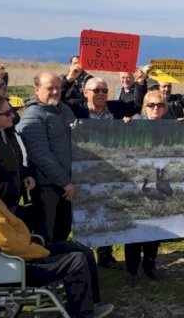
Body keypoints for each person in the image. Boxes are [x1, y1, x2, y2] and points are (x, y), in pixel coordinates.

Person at [0, 146, 113, 318]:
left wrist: (34, 244)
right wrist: (40, 251)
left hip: (13, 256)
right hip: (10, 265)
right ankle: (80, 314)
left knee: (79, 248)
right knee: (76, 260)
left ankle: (90, 305)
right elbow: (5, 243)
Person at [70, 77, 141, 269]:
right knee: (89, 213)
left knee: (108, 211)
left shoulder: (116, 109)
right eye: (96, 90)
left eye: (104, 90)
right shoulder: (76, 111)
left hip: (112, 169)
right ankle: (84, 257)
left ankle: (105, 255)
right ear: (85, 92)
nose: (101, 94)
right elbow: (58, 98)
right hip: (85, 172)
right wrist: (70, 77)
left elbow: (137, 105)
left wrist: (140, 83)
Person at [16, 72, 76, 243]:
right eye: (50, 88)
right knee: (46, 231)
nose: (56, 92)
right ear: (37, 89)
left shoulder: (64, 110)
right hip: (47, 185)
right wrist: (64, 182)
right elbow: (41, 155)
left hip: (67, 184)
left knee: (63, 228)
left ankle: (64, 263)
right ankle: (47, 266)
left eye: (57, 88)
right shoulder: (33, 116)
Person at [123, 90, 173, 281]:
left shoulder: (170, 127)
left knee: (155, 224)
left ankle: (150, 263)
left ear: (165, 108)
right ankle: (132, 269)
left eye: (160, 105)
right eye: (151, 105)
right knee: (136, 223)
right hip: (137, 177)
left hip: (158, 177)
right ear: (144, 107)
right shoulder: (133, 124)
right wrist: (125, 126)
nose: (155, 108)